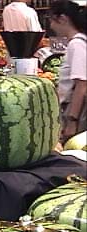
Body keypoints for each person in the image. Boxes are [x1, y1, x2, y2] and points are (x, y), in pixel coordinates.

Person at [49, 0, 87, 144]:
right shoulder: (80, 42)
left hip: (76, 110)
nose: (51, 26)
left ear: (63, 19)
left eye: (52, 20)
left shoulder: (76, 44)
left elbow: (81, 85)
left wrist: (72, 121)